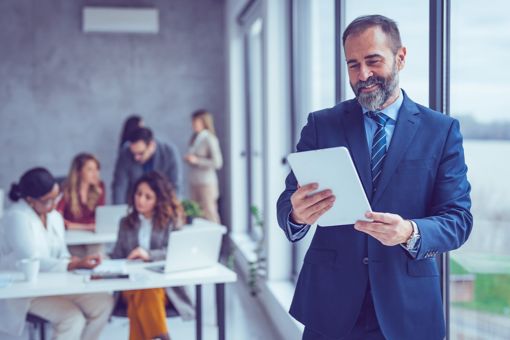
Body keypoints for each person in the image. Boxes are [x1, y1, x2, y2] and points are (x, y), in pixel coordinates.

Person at [276, 15, 473, 340]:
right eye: (353, 64)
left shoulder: (440, 130)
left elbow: (459, 220)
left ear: (401, 57)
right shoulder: (321, 125)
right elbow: (288, 204)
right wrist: (297, 214)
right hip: (331, 306)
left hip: (407, 308)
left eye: (373, 61)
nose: (363, 75)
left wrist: (409, 231)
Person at [0, 167, 113, 339]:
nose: (54, 205)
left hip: (56, 283)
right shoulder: (16, 217)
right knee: (72, 318)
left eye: (56, 197)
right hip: (27, 292)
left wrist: (83, 267)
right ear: (30, 200)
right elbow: (32, 259)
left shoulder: (54, 216)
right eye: (47, 201)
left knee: (103, 302)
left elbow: (62, 253)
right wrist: (73, 264)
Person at [110, 171, 194, 340]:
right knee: (143, 289)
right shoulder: (125, 222)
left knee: (144, 294)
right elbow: (117, 255)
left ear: (158, 201)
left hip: (165, 289)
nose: (141, 200)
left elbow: (176, 252)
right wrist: (106, 261)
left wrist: (148, 254)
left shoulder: (171, 220)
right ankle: (163, 337)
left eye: (148, 197)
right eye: (139, 194)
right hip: (130, 285)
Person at [112, 126, 182, 204]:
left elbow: (174, 184)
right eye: (134, 154)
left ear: (151, 145)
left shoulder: (169, 152)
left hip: (162, 202)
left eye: (140, 153)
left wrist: (169, 207)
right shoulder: (125, 152)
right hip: (135, 204)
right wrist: (118, 210)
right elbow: (119, 186)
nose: (136, 158)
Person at [57, 153, 105, 256]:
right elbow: (58, 220)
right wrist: (86, 227)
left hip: (92, 237)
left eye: (97, 169)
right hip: (72, 237)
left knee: (97, 256)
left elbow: (101, 218)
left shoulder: (99, 187)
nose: (95, 174)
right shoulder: (65, 189)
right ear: (78, 172)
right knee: (78, 259)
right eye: (90, 169)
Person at [184, 109, 223, 223]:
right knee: (196, 213)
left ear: (204, 122)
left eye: (196, 122)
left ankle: (216, 239)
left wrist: (197, 161)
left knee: (210, 212)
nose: (193, 125)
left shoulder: (209, 139)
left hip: (206, 183)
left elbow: (218, 163)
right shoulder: (195, 138)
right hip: (195, 181)